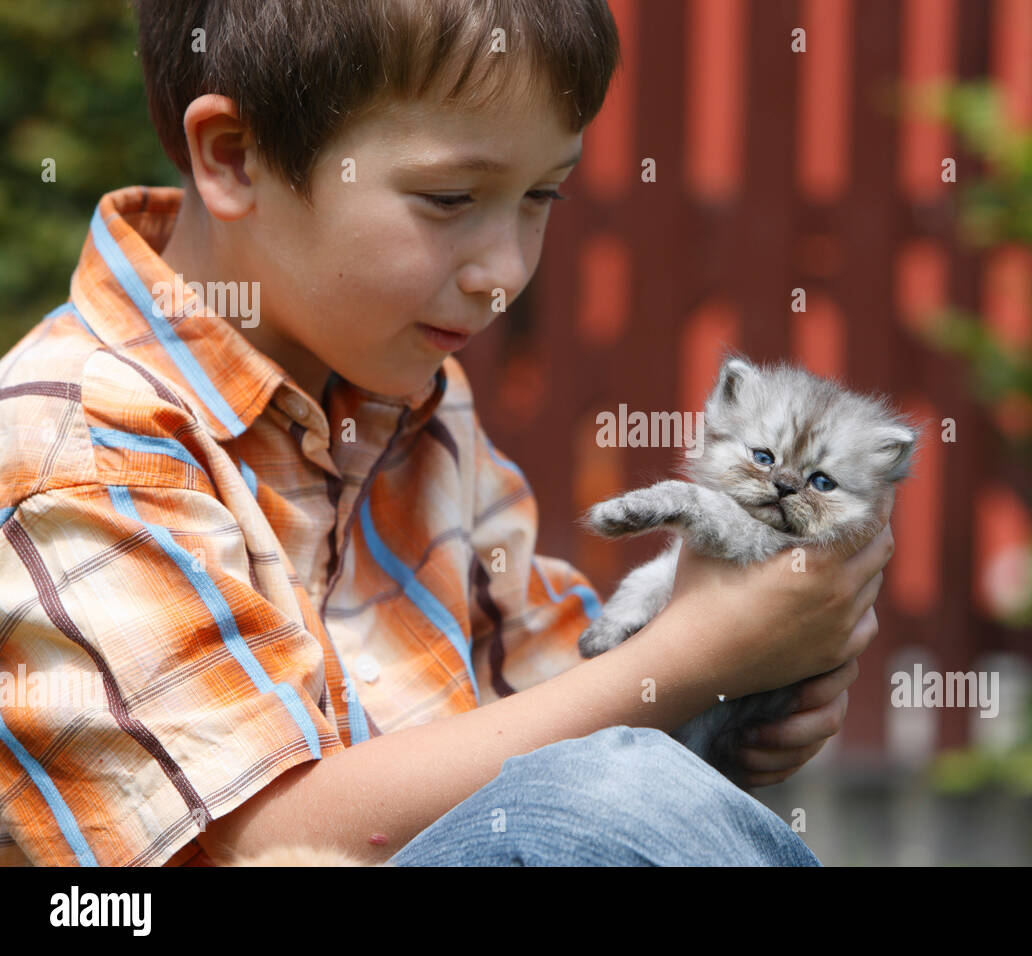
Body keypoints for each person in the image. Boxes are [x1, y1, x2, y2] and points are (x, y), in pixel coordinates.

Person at [0, 0, 892, 867]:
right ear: (236, 158)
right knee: (620, 800)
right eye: (449, 197)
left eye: (543, 193)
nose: (504, 271)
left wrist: (735, 689)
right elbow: (267, 843)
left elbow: (565, 695)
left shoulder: (416, 407)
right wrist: (699, 653)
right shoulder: (79, 447)